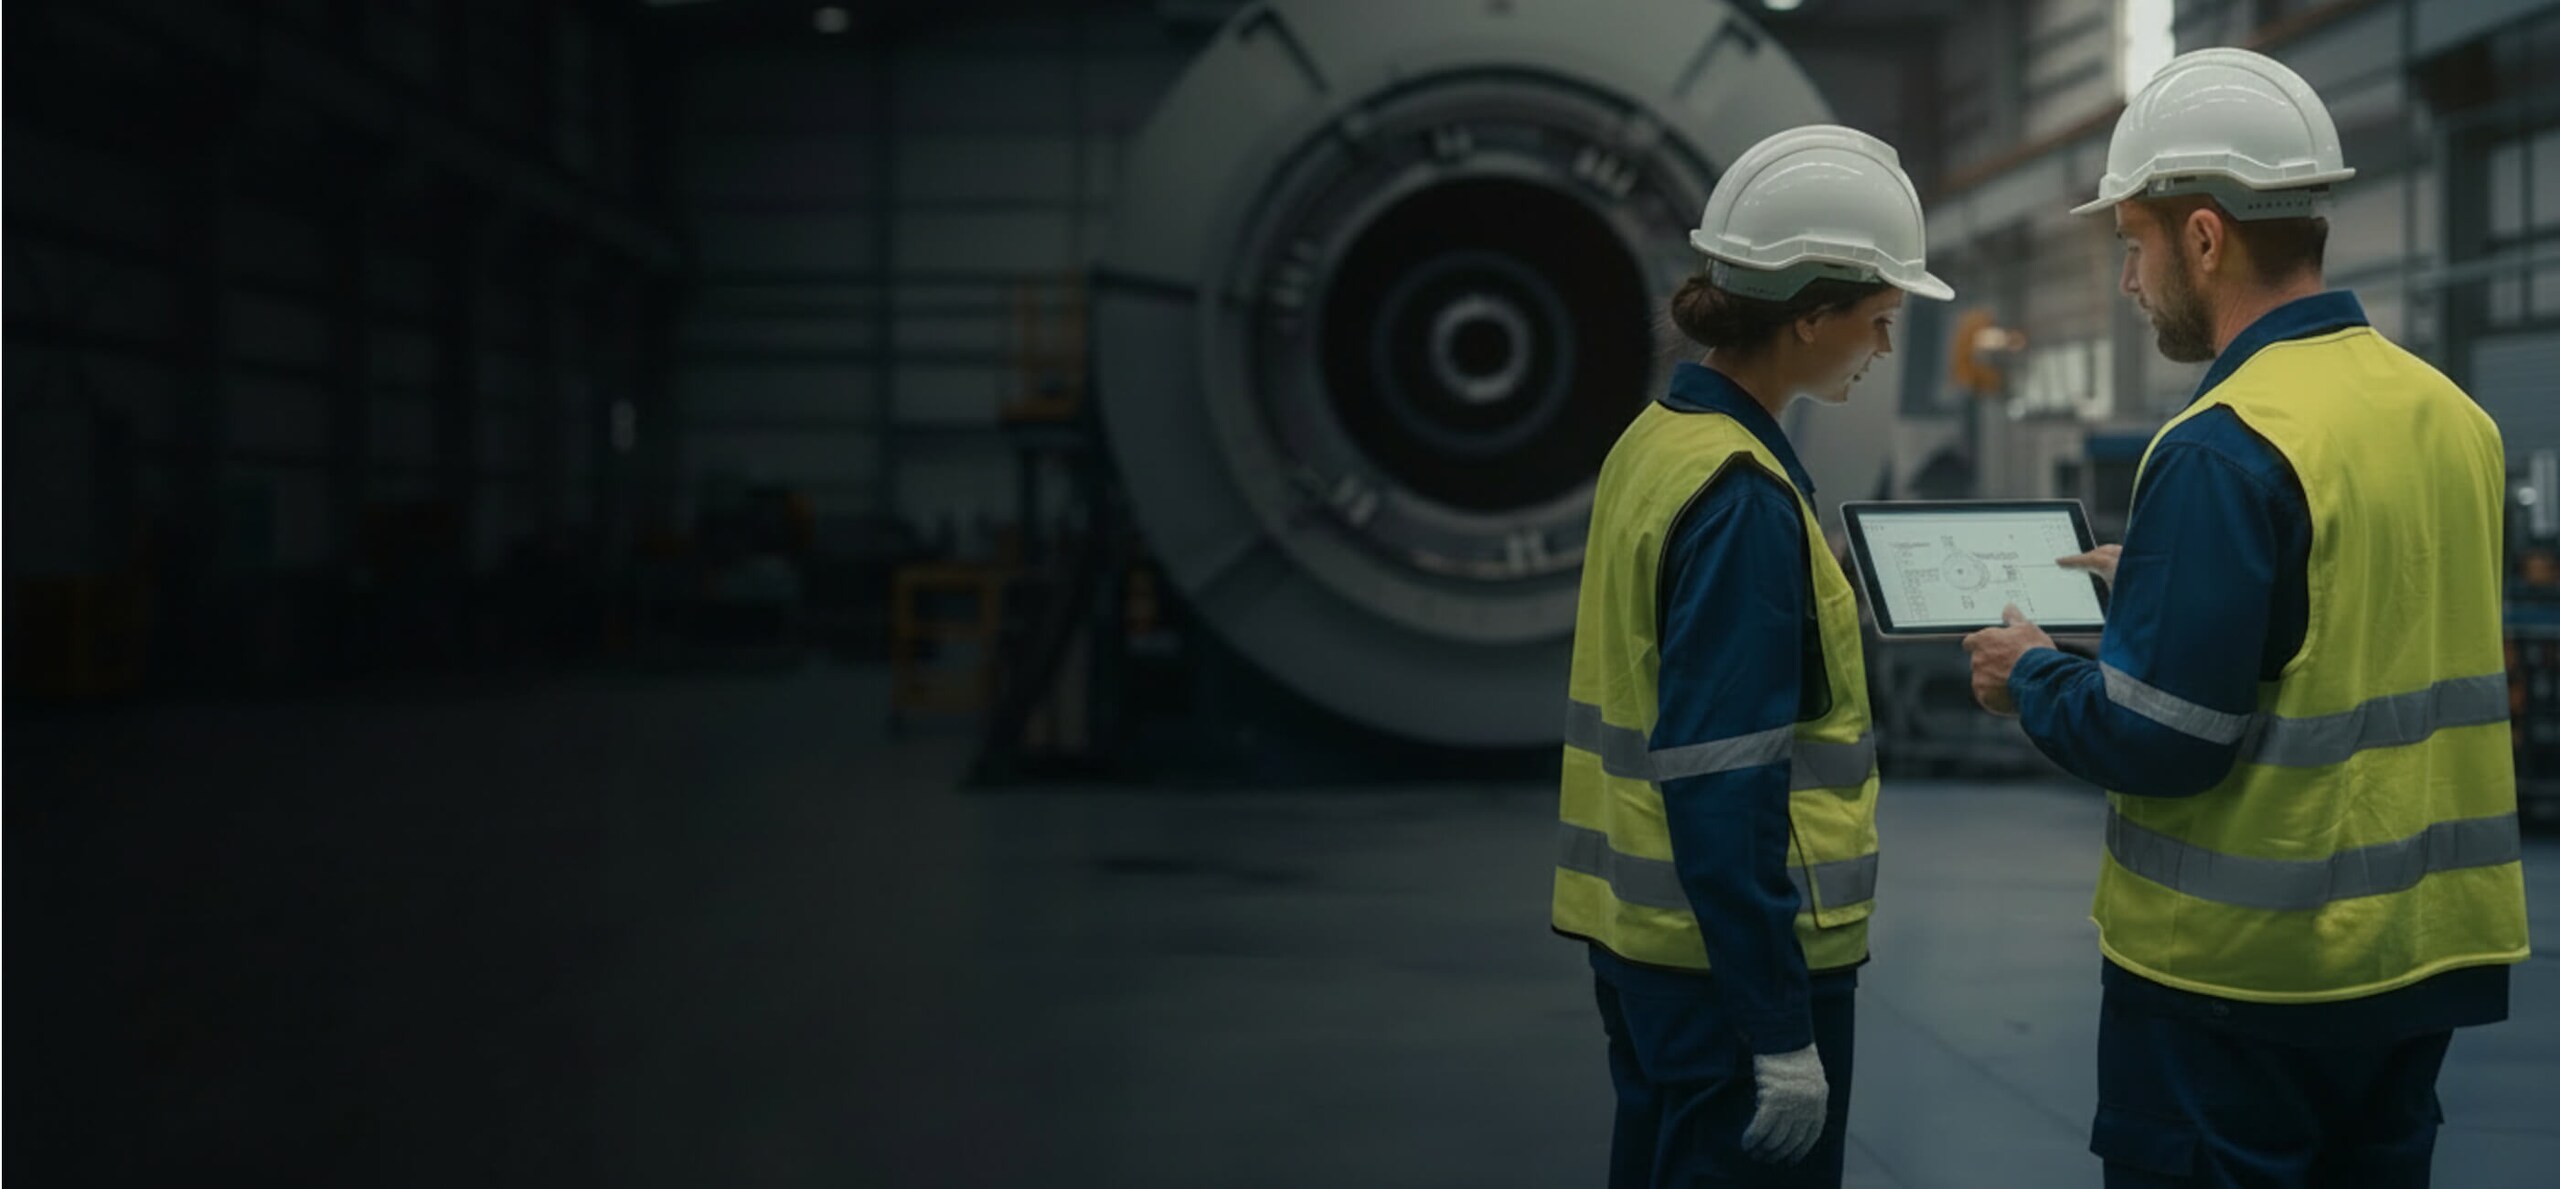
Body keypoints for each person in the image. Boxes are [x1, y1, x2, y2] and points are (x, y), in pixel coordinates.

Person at [1959, 48, 2531, 1188]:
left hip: (2244, 983)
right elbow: (2361, 606)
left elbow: (2159, 739)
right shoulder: (2451, 416)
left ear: (2204, 236)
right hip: (2416, 960)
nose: (2129, 278)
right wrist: (2172, 583)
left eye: (2133, 242)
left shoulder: (2222, 442)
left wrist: (2029, 673)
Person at [1553, 125, 1951, 1188]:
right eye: (1874, 322)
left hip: (1650, 943)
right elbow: (1722, 778)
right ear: (1809, 316)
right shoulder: (1738, 495)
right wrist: (1776, 1028)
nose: (1877, 348)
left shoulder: (1660, 440)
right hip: (1731, 967)